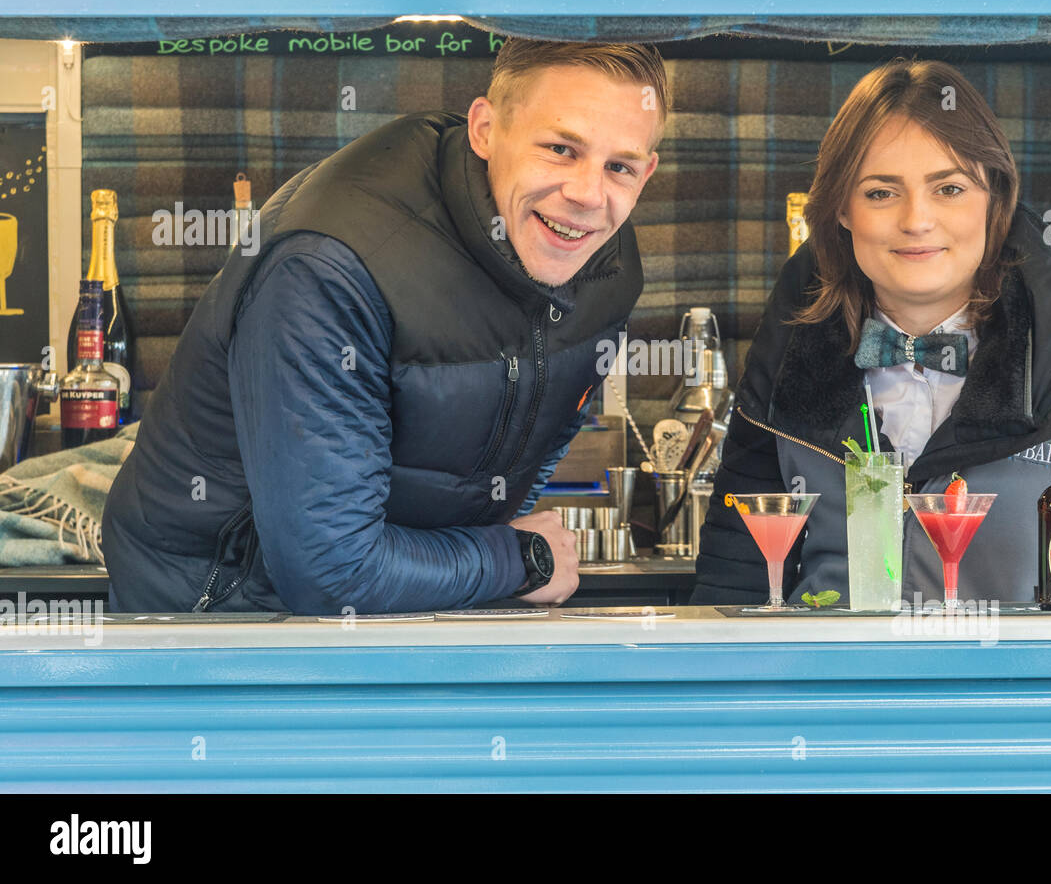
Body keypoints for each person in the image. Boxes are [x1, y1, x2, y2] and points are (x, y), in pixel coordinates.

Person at [103, 38, 667, 613]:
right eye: (560, 149)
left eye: (618, 166)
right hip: (220, 611)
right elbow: (330, 575)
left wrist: (476, 558)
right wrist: (521, 560)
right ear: (485, 130)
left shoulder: (605, 263)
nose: (587, 195)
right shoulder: (329, 268)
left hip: (410, 597)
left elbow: (536, 434)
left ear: (646, 172)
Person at [692, 57, 1051, 606]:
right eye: (880, 193)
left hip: (1028, 687)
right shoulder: (788, 349)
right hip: (829, 686)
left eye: (950, 189)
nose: (916, 220)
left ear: (996, 201)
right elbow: (733, 589)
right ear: (841, 210)